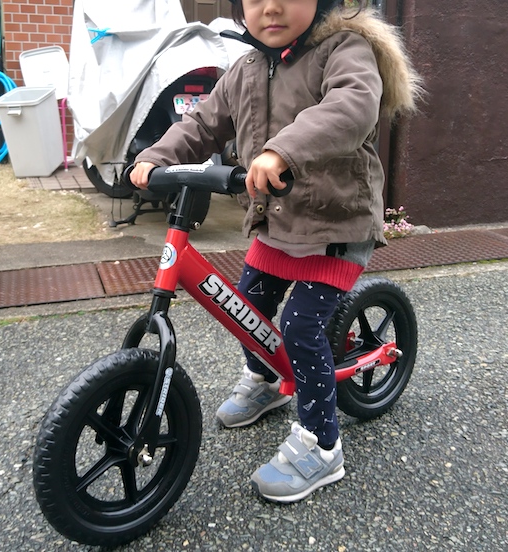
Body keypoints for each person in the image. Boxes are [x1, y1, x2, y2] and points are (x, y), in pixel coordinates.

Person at [130, 0, 422, 503]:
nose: (270, 7)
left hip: (335, 222)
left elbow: (351, 107)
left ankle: (321, 445)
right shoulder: (245, 68)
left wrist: (281, 150)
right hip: (277, 223)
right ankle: (266, 381)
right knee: (247, 307)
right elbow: (203, 125)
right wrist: (157, 156)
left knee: (301, 326)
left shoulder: (343, 50)